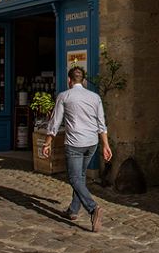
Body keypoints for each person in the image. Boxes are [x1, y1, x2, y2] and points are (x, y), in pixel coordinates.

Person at [44, 66, 112, 232]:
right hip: (92, 143)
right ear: (83, 80)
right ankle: (73, 210)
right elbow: (101, 124)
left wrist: (47, 142)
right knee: (80, 176)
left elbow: (55, 122)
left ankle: (93, 208)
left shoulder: (64, 96)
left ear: (69, 80)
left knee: (74, 178)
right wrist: (106, 145)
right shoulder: (95, 97)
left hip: (75, 144)